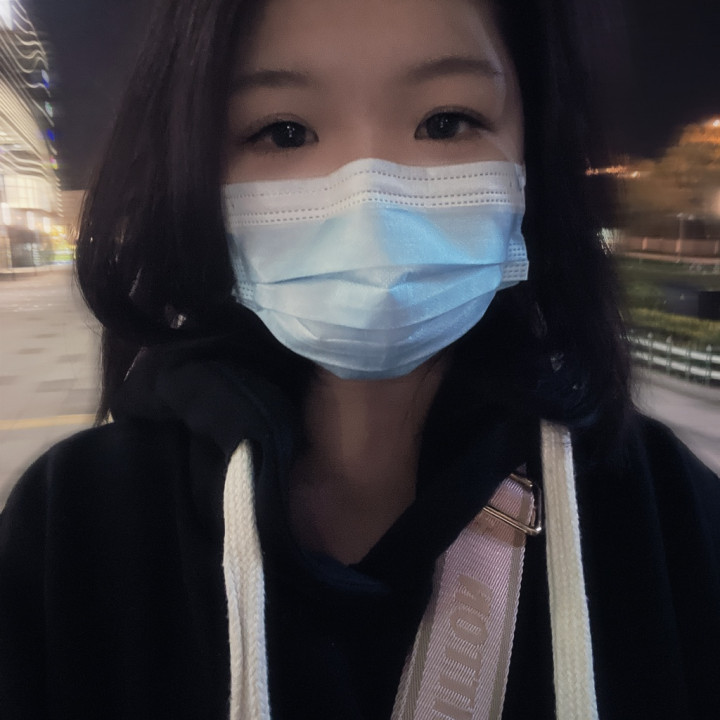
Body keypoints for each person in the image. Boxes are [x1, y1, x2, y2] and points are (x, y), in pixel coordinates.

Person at [1, 0, 719, 718]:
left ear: (533, 146)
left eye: (446, 122)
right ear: (194, 165)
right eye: (284, 132)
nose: (370, 205)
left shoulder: (670, 520)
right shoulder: (73, 531)